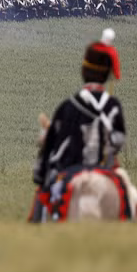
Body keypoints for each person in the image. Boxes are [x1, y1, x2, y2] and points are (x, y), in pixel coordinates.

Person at [31, 29, 126, 222]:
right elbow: (118, 141)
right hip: (104, 171)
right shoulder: (113, 106)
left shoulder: (68, 106)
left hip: (70, 172)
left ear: (84, 71)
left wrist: (40, 176)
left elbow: (50, 146)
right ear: (107, 75)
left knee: (42, 199)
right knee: (128, 199)